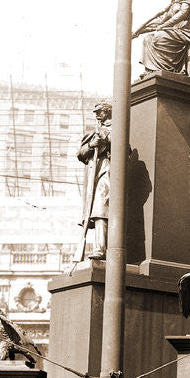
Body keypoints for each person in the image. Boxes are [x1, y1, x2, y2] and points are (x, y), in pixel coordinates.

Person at [133, 0, 190, 75]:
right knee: (148, 39)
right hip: (175, 30)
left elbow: (182, 14)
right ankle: (152, 70)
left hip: (186, 30)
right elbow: (161, 21)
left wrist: (164, 26)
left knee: (159, 36)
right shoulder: (173, 3)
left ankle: (169, 68)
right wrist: (140, 32)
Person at [76, 101, 112, 260]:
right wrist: (91, 145)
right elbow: (80, 153)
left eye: (100, 111)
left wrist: (106, 136)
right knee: (97, 210)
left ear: (108, 112)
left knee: (101, 209)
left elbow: (126, 148)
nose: (97, 115)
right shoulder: (95, 131)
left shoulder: (114, 129)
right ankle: (99, 247)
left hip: (107, 170)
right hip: (95, 173)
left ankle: (101, 248)